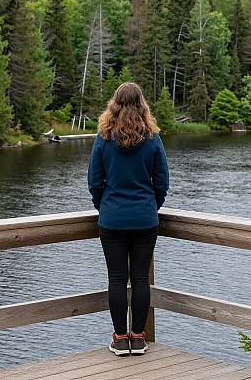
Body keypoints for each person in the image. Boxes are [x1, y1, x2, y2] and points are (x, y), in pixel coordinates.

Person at [87, 82, 170, 356]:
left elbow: (94, 181)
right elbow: (162, 182)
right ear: (142, 104)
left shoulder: (104, 137)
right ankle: (138, 338)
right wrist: (150, 206)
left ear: (115, 104)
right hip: (145, 220)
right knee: (141, 280)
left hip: (112, 220)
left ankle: (120, 339)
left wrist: (105, 207)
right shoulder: (152, 138)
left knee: (117, 279)